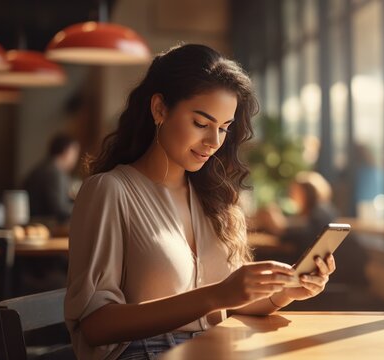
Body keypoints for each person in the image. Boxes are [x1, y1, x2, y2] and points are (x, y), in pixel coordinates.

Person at [65, 44, 336, 360]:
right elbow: (95, 327)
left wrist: (285, 292)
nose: (214, 142)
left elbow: (228, 304)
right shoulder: (110, 191)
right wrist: (217, 295)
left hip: (215, 349)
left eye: (223, 128)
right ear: (159, 109)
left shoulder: (218, 201)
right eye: (201, 123)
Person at [22, 133, 80, 226]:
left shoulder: (44, 166)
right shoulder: (54, 172)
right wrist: (83, 209)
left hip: (34, 223)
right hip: (43, 226)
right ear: (67, 151)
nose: (76, 158)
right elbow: (59, 209)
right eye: (75, 153)